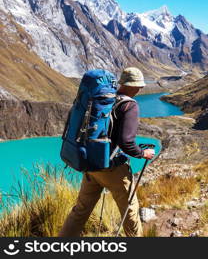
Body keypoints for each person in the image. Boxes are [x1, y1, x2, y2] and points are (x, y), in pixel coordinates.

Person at [59, 67, 155, 237]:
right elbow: (127, 142)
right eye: (139, 86)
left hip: (91, 164)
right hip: (113, 169)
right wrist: (143, 153)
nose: (140, 89)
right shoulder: (129, 106)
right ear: (134, 86)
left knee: (80, 210)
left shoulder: (105, 100)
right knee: (130, 211)